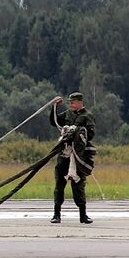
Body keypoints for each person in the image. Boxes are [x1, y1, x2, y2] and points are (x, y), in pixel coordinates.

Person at [49, 92, 96, 224]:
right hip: (65, 154)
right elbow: (55, 121)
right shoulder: (68, 114)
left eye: (72, 102)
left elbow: (90, 134)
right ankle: (56, 214)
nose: (70, 104)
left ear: (80, 102)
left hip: (79, 156)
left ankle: (83, 215)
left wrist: (76, 131)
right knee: (59, 185)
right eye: (69, 102)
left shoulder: (88, 116)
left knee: (79, 185)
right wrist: (54, 107)